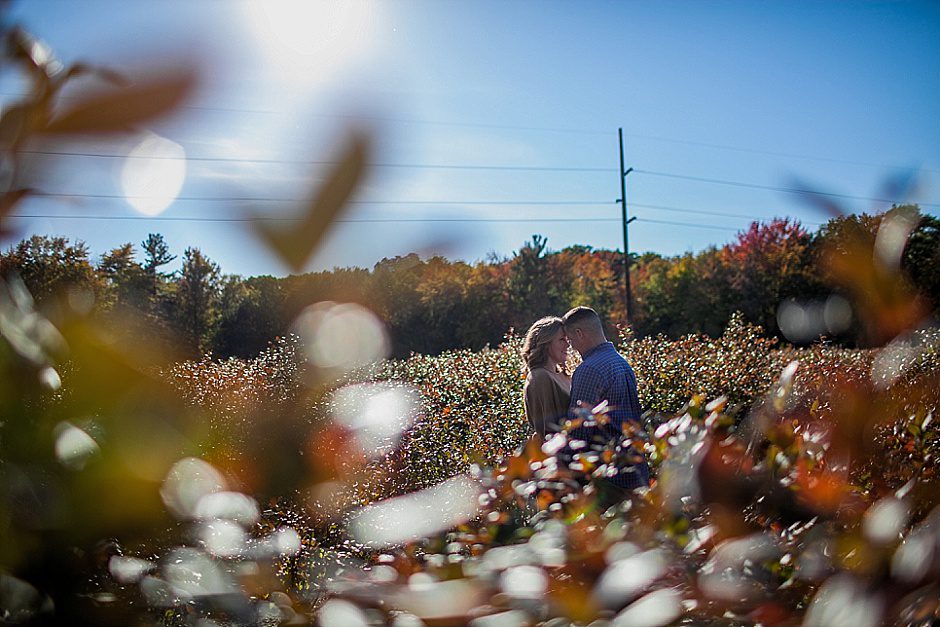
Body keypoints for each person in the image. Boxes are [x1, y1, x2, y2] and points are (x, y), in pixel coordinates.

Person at [563, 306, 650, 493]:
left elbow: (579, 430)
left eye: (570, 341)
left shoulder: (589, 370)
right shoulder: (621, 363)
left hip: (609, 477)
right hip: (635, 469)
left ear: (579, 334)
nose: (571, 348)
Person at [521, 316, 571, 441]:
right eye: (561, 340)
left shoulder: (562, 374)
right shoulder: (539, 378)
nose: (568, 344)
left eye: (567, 339)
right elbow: (546, 431)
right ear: (546, 343)